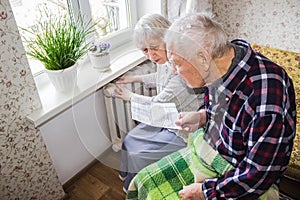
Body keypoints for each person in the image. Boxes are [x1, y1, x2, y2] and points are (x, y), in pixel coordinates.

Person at [126, 13, 296, 200]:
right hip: (213, 151)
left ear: (203, 59)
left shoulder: (266, 95)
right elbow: (230, 112)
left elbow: (259, 173)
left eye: (176, 64)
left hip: (241, 176)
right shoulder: (219, 63)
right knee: (143, 180)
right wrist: (203, 116)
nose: (173, 71)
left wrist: (205, 192)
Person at [113, 13, 202, 193]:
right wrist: (135, 77)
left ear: (168, 40)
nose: (151, 56)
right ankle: (127, 176)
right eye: (145, 50)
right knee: (129, 139)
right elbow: (160, 77)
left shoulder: (181, 68)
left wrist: (130, 96)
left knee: (139, 154)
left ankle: (136, 188)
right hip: (166, 117)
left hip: (181, 127)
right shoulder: (164, 59)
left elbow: (158, 102)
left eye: (154, 48)